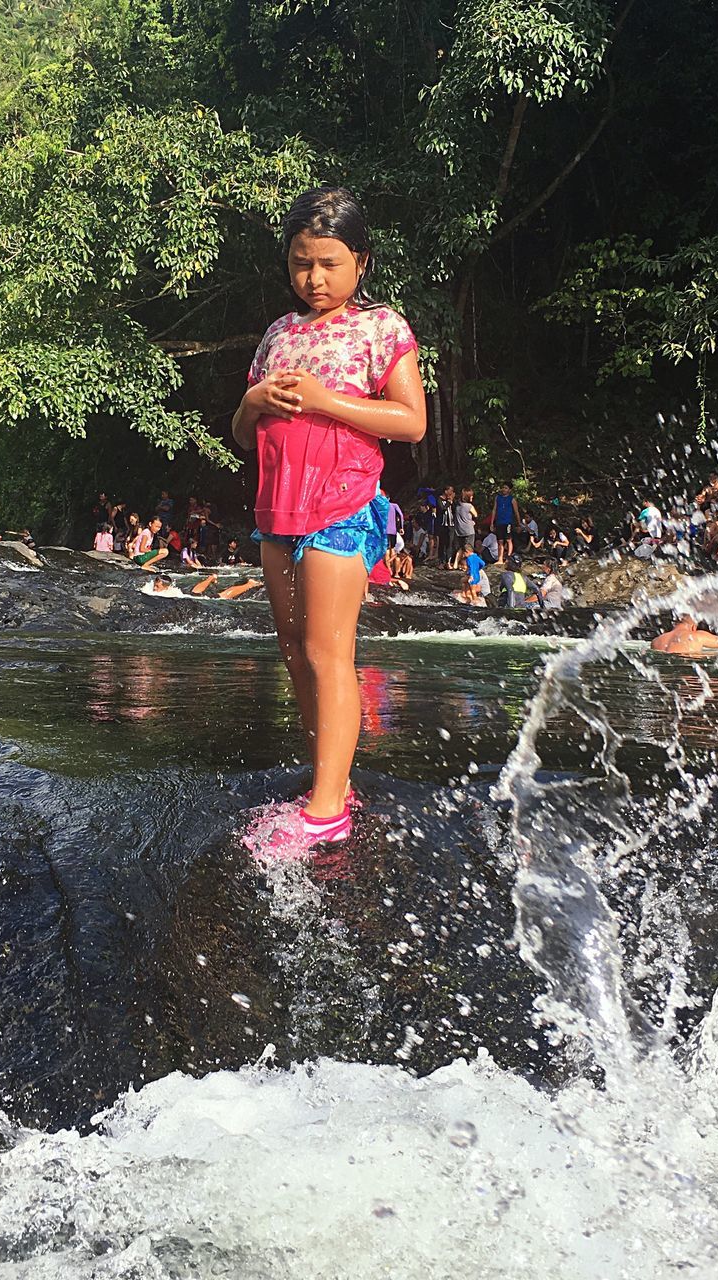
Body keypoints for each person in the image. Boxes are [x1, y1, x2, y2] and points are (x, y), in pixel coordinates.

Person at [230, 186, 425, 852]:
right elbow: (238, 431)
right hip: (278, 506)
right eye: (300, 263)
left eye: (329, 264)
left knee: (326, 651)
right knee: (292, 649)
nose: (313, 278)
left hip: (341, 503)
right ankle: (330, 783)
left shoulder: (382, 328)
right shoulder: (279, 335)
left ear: (361, 261)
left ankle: (325, 810)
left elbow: (411, 421)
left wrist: (325, 399)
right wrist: (256, 398)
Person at [490, 482, 521, 561]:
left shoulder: (512, 499)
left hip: (508, 522)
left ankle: (509, 558)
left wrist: (519, 523)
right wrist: (492, 523)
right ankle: (500, 559)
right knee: (500, 541)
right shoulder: (498, 498)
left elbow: (516, 512)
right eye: (503, 487)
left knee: (508, 539)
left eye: (506, 488)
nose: (504, 489)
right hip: (499, 522)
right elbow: (494, 510)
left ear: (509, 490)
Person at [454, 487, 478, 568]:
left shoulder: (458, 506)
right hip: (468, 530)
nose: (472, 497)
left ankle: (455, 564)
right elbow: (475, 514)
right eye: (471, 496)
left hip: (459, 530)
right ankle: (468, 565)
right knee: (469, 548)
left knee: (461, 548)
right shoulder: (469, 506)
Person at [436, 484, 457, 567]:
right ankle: (441, 561)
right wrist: (448, 502)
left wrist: (452, 502)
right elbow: (442, 509)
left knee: (450, 543)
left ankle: (448, 561)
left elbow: (455, 510)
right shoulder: (439, 500)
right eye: (450, 491)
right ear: (446, 491)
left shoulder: (452, 501)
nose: (452, 493)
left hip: (451, 524)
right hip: (442, 525)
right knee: (442, 543)